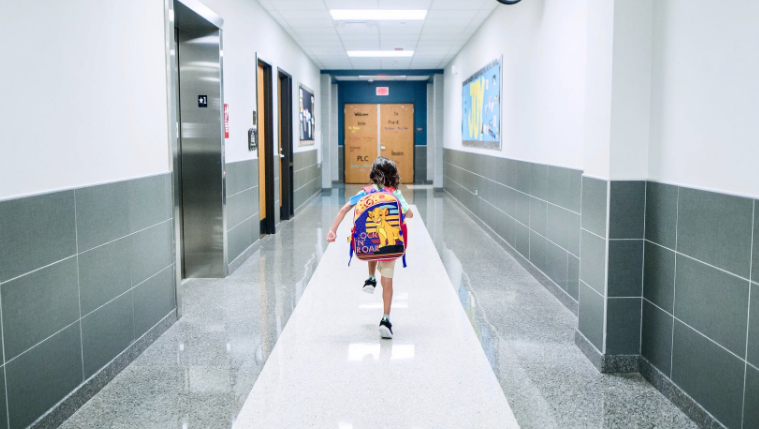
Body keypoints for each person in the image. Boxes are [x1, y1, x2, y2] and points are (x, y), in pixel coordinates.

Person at [326, 157, 413, 339]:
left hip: (368, 245)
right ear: (393, 176)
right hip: (391, 245)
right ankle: (386, 319)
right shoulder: (395, 193)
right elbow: (409, 214)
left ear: (373, 175)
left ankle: (371, 278)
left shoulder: (365, 192)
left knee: (371, 242)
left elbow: (344, 209)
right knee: (388, 280)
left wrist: (332, 231)